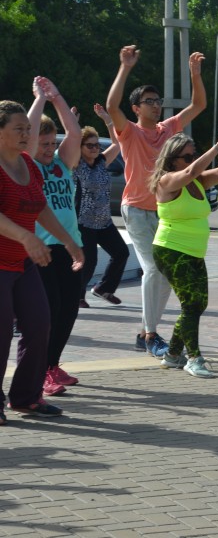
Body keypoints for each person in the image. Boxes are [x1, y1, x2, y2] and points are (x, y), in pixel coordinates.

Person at [106, 44, 207, 357]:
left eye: (157, 101)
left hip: (165, 212)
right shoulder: (130, 132)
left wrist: (194, 74)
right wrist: (125, 66)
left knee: (164, 273)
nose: (156, 105)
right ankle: (150, 336)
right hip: (136, 209)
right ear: (136, 108)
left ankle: (145, 334)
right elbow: (112, 106)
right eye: (149, 102)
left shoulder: (169, 128)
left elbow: (199, 105)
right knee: (154, 269)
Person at [1, 99, 83, 421]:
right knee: (0, 333)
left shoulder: (29, 164)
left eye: (28, 129)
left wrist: (68, 241)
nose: (26, 134)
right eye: (18, 129)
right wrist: (25, 236)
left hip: (22, 264)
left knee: (39, 325)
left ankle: (26, 397)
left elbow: (40, 207)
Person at [149, 126, 218, 378]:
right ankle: (193, 358)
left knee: (198, 304)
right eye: (187, 157)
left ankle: (172, 355)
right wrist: (217, 147)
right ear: (172, 159)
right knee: (191, 304)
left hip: (194, 251)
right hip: (171, 249)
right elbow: (190, 171)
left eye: (193, 155)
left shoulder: (197, 182)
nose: (192, 161)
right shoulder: (166, 180)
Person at [27, 77, 86, 396]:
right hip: (42, 249)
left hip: (68, 247)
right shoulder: (29, 167)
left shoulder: (64, 165)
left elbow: (75, 133)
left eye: (53, 143)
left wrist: (57, 97)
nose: (49, 149)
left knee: (68, 310)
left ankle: (52, 365)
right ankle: (40, 371)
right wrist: (39, 100)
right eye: (44, 144)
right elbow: (30, 136)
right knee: (48, 310)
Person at [76, 104, 129, 308]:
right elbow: (70, 144)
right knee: (88, 262)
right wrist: (73, 122)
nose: (95, 148)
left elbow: (117, 142)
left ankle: (103, 288)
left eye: (96, 145)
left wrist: (107, 119)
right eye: (89, 145)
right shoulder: (76, 164)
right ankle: (77, 295)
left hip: (104, 221)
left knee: (121, 253)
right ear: (80, 148)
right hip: (84, 222)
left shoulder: (101, 162)